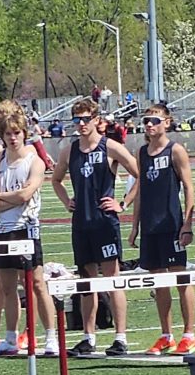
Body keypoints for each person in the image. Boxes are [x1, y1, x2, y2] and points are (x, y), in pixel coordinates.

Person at [52, 98, 139, 357]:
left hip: (104, 223)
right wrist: (67, 200)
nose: (81, 124)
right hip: (81, 223)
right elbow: (56, 179)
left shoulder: (110, 146)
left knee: (112, 279)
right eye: (77, 119)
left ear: (97, 120)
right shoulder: (70, 151)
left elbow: (139, 174)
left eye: (86, 119)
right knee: (86, 281)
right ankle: (88, 337)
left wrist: (122, 203)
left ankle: (120, 337)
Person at [0, 110, 58, 357]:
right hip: (3, 228)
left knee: (36, 283)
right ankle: (10, 338)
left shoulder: (34, 161)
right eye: (8, 134)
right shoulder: (0, 164)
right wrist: (3, 198)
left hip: (26, 227)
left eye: (16, 133)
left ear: (24, 133)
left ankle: (50, 337)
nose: (12, 138)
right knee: (6, 287)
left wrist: (0, 197)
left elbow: (25, 195)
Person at [128, 104, 195, 356]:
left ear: (166, 122)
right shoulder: (142, 153)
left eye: (154, 120)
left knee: (180, 278)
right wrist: (135, 226)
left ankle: (189, 334)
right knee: (159, 282)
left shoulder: (175, 150)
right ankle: (166, 334)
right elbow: (141, 190)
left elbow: (189, 187)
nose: (149, 125)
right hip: (150, 226)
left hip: (171, 224)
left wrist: (187, 224)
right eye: (146, 120)